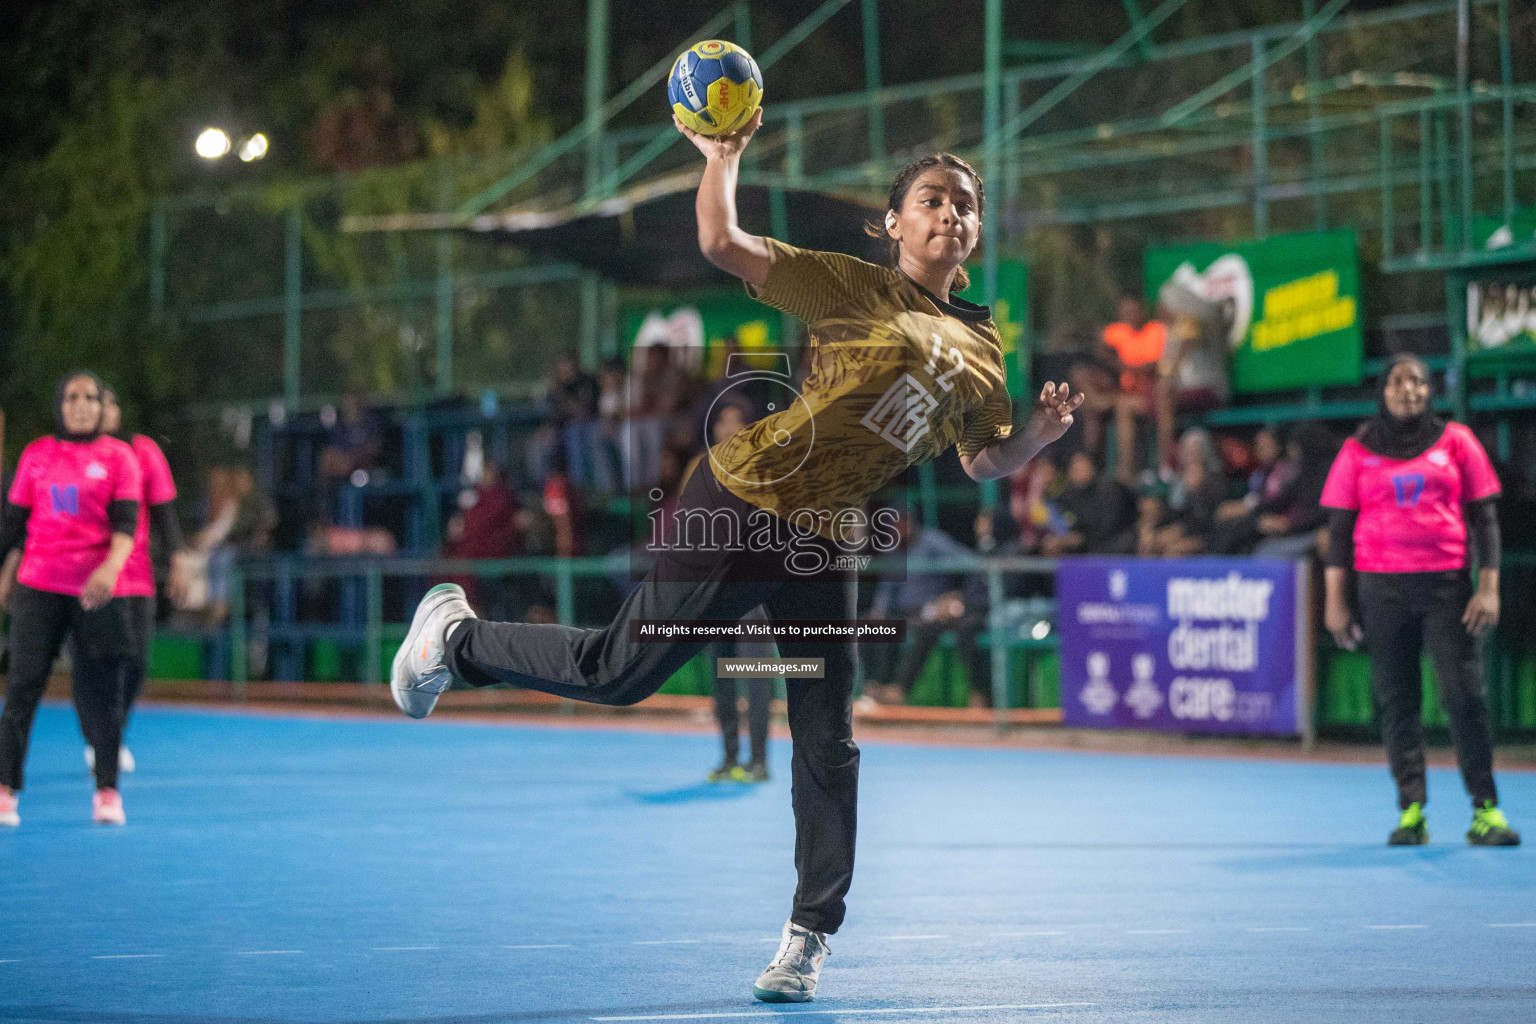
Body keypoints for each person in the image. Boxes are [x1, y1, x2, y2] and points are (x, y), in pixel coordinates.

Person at [388, 107, 1083, 1005]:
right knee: (620, 673)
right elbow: (721, 240)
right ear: (895, 224)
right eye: (931, 199)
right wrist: (723, 155)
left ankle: (807, 936)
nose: (951, 213)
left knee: (829, 737)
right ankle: (457, 638)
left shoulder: (986, 350)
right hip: (745, 501)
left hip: (826, 545)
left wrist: (1038, 433)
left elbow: (983, 462)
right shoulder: (849, 285)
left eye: (964, 204)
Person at [1321, 354, 1519, 847]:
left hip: (1446, 588)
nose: (1407, 389)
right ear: (1382, 391)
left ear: (1430, 391)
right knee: (1397, 700)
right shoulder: (1357, 450)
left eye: (1417, 381)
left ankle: (1486, 811)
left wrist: (1489, 587)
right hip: (1380, 589)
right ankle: (1411, 811)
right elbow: (1339, 533)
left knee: (1463, 696)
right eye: (1397, 381)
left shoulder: (1458, 441)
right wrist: (1335, 602)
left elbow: (1485, 520)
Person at [0, 372, 142, 827]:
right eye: (72, 397)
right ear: (60, 405)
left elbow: (125, 529)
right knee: (21, 689)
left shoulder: (121, 458)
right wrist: (7, 570)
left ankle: (107, 792)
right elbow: (13, 528)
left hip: (97, 592)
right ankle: (5, 791)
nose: (81, 405)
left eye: (91, 398)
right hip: (39, 587)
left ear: (103, 406)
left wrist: (108, 570)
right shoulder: (36, 456)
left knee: (103, 696)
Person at [76, 387, 192, 775]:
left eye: (106, 401)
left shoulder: (143, 451)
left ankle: (111, 733)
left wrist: (177, 562)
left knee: (136, 660)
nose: (101, 408)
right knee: (90, 662)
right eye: (93, 401)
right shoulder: (70, 455)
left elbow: (164, 511)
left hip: (136, 578)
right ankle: (99, 738)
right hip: (87, 578)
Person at [866, 510, 990, 708]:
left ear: (911, 521)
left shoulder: (933, 542)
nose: (899, 528)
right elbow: (887, 587)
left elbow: (969, 563)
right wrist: (878, 610)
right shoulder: (894, 548)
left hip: (934, 609)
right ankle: (877, 685)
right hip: (904, 612)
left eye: (903, 522)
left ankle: (900, 690)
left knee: (933, 627)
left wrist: (956, 596)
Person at [1070, 296, 1166, 483]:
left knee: (1116, 406)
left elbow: (1152, 369)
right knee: (1080, 376)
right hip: (1117, 387)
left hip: (1145, 393)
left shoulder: (1155, 331)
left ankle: (1124, 472)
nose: (1129, 315)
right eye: (1124, 311)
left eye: (1133, 310)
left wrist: (1121, 365)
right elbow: (1102, 357)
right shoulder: (1115, 332)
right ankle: (1088, 458)